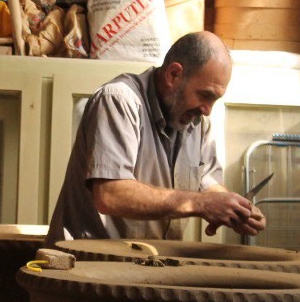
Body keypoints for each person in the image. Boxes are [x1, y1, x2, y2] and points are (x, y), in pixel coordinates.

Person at [45, 30, 266, 245]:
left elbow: (209, 187)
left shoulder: (197, 123)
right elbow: (110, 195)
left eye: (215, 99)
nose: (208, 110)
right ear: (173, 75)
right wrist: (200, 203)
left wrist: (236, 207)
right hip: (85, 264)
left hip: (143, 263)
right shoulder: (119, 100)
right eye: (205, 95)